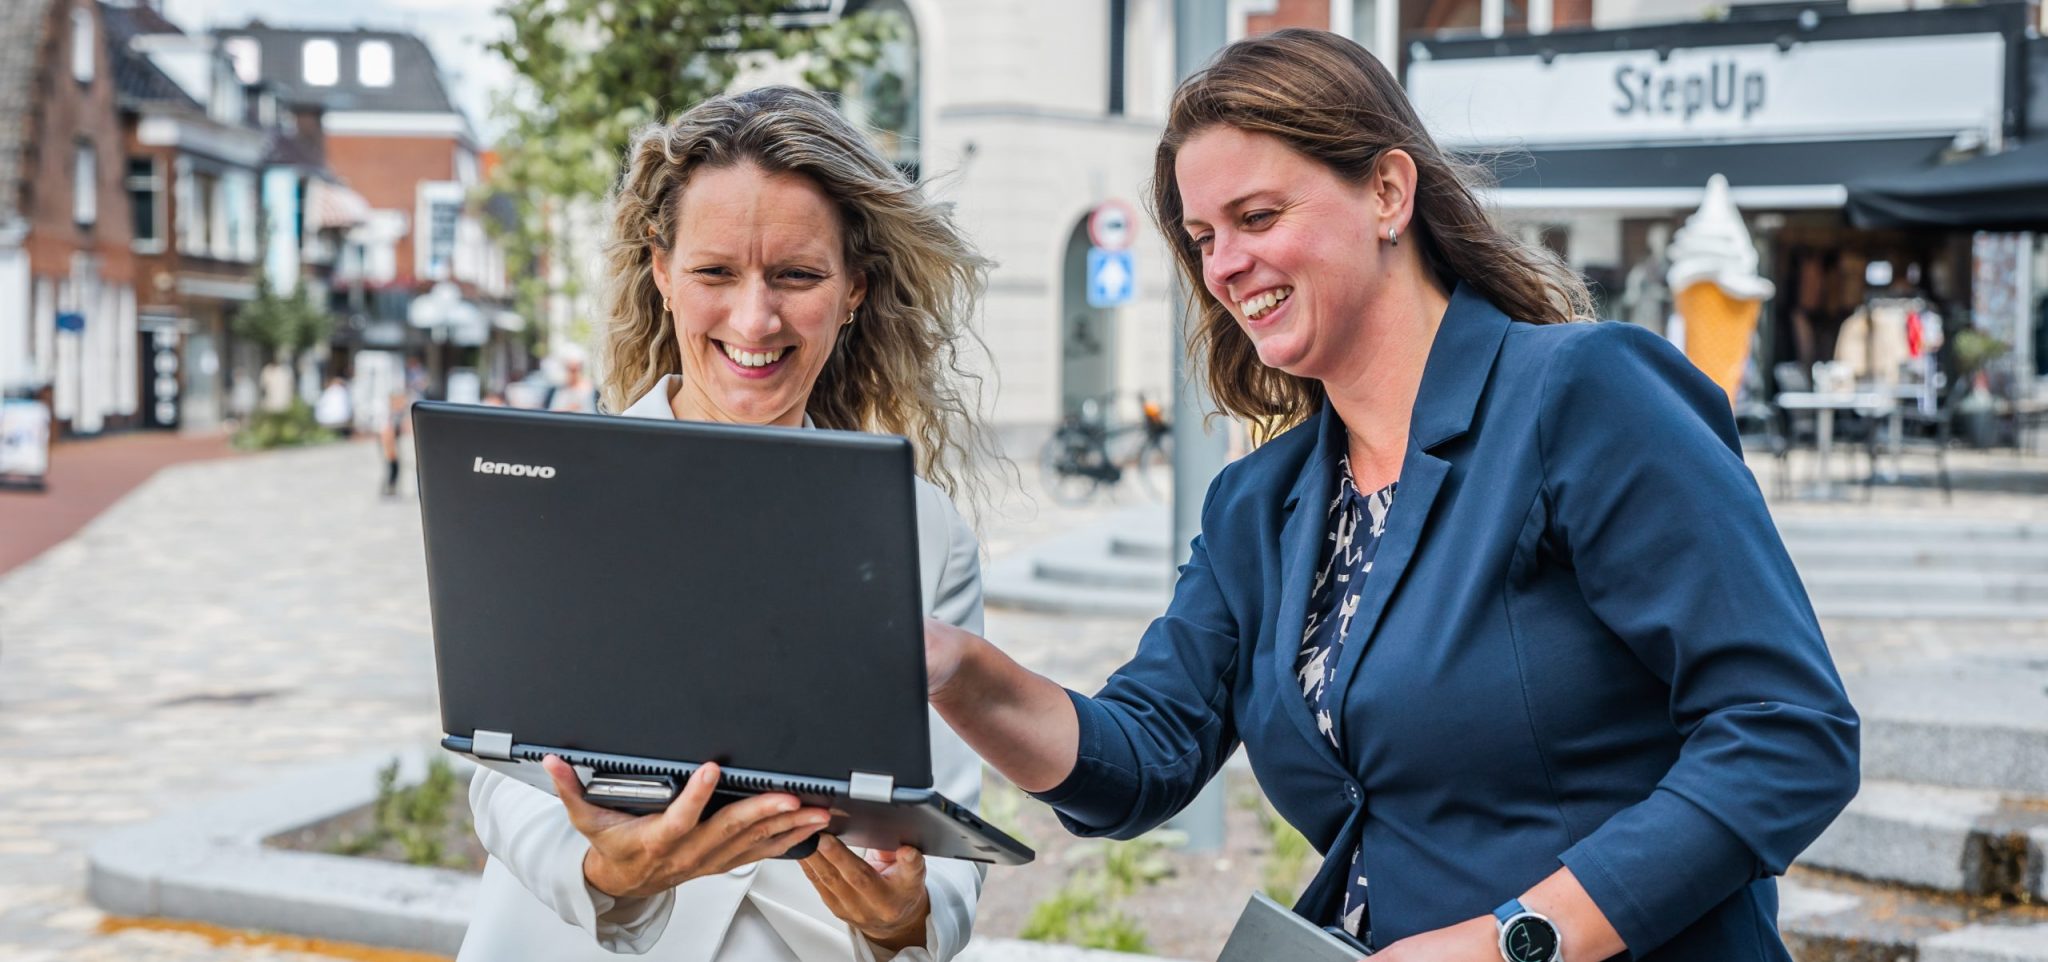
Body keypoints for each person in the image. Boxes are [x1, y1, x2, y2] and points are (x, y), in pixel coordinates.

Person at [922, 30, 1858, 962]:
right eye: (1204, 238)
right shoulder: (1260, 502)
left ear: (1388, 192)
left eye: (1256, 217)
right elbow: (1141, 759)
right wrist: (950, 666)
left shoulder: (1581, 392)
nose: (1222, 267)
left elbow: (1787, 733)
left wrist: (1512, 944)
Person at [459, 85, 998, 962]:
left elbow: (945, 820)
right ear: (662, 271)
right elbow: (501, 771)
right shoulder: (559, 489)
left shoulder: (926, 531)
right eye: (716, 273)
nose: (756, 320)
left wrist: (907, 915)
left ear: (855, 287)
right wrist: (603, 871)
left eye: (797, 275)